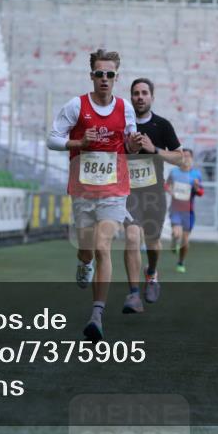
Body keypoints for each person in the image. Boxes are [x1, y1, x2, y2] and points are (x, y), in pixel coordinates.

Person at [48, 49, 142, 341]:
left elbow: (131, 145)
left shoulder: (125, 108)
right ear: (91, 75)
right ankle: (83, 263)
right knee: (87, 249)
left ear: (116, 77)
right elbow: (52, 139)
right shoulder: (76, 106)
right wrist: (78, 141)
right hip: (83, 190)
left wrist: (135, 144)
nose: (104, 79)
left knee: (103, 246)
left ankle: (96, 315)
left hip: (114, 190)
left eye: (109, 74)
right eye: (99, 74)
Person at [123, 78, 183, 313]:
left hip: (154, 193)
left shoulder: (162, 125)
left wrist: (154, 150)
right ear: (131, 97)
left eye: (144, 93)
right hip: (129, 193)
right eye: (136, 93)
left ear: (152, 97)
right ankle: (133, 294)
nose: (140, 96)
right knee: (131, 237)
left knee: (153, 242)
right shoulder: (124, 125)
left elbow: (180, 158)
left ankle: (151, 272)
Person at [166, 149, 204, 273]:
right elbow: (166, 185)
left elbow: (201, 192)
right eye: (184, 156)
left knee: (185, 241)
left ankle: (181, 262)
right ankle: (173, 241)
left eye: (188, 156)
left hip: (188, 211)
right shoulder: (174, 172)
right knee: (177, 233)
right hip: (176, 208)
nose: (186, 158)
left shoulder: (196, 175)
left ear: (192, 159)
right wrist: (170, 190)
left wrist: (197, 188)